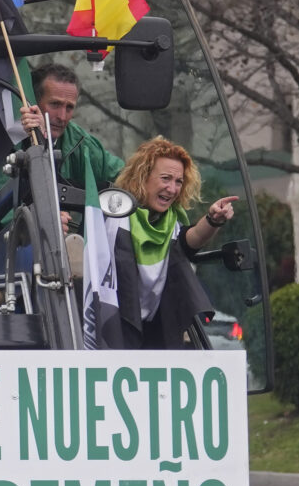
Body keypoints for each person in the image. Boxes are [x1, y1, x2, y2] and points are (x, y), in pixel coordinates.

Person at [89, 136, 238, 350]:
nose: (172, 189)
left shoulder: (171, 222)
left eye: (178, 182)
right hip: (113, 331)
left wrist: (213, 219)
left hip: (157, 334)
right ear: (143, 177)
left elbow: (189, 241)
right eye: (166, 178)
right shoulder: (113, 215)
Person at [17, 63, 123, 212]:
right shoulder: (10, 139)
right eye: (55, 104)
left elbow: (127, 178)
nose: (62, 117)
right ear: (33, 103)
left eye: (69, 107)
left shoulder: (81, 143)